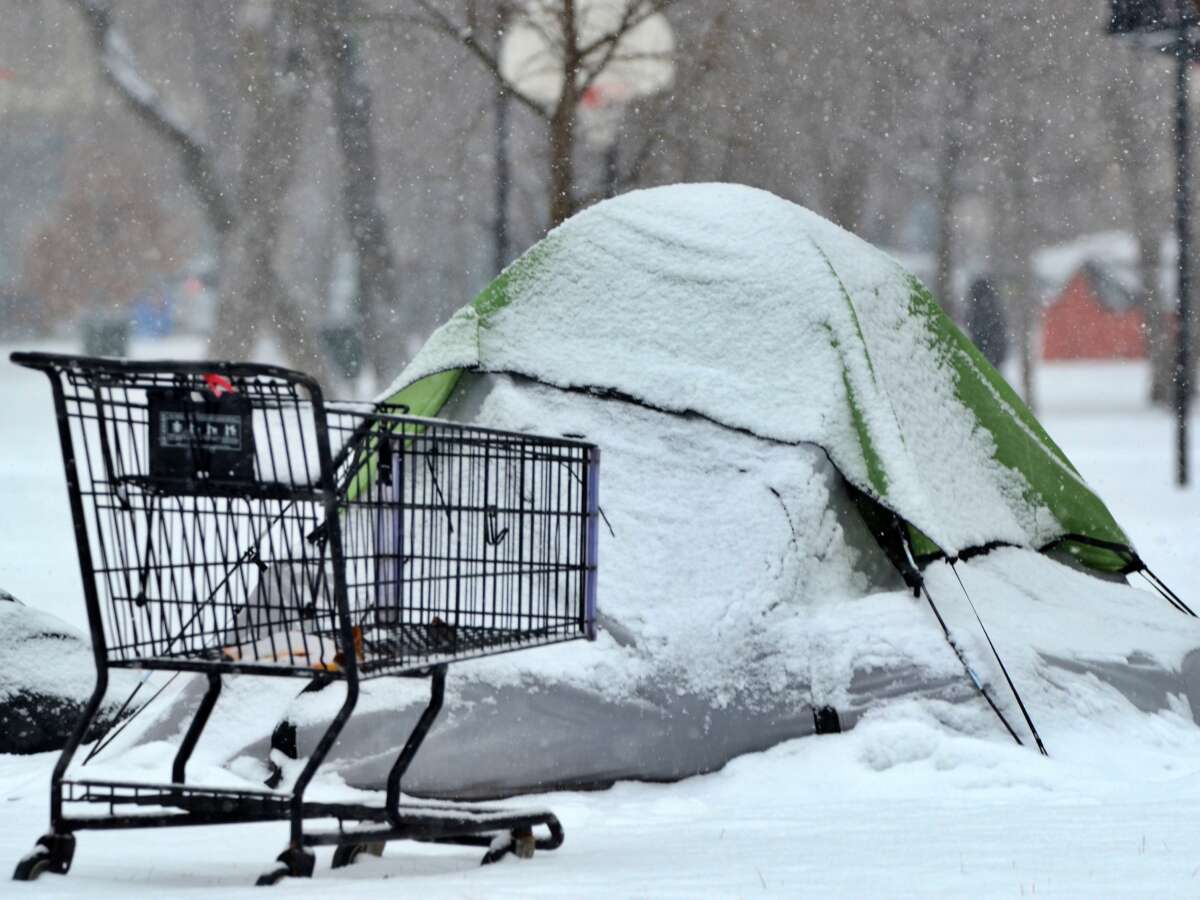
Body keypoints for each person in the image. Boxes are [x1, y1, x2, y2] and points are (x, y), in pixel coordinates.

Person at [965, 276, 1009, 368]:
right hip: (992, 351)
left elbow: (971, 326)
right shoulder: (994, 306)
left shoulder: (977, 309)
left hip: (984, 350)